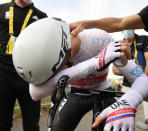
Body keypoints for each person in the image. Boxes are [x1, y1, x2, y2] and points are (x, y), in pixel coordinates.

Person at [12, 17, 148, 131]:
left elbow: (143, 79)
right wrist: (95, 62)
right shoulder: (46, 57)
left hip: (103, 90)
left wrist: (130, 100)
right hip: (77, 94)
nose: (64, 68)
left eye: (64, 63)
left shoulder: (99, 38)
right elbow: (35, 93)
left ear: (72, 34)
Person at [69, 5, 148, 131]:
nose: (127, 30)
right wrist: (84, 24)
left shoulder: (143, 40)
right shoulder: (118, 43)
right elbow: (120, 23)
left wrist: (141, 78)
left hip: (135, 82)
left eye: (130, 28)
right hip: (126, 85)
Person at [0, 0, 47, 130]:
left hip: (29, 78)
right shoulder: (2, 9)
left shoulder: (41, 16)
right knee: (2, 124)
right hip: (3, 76)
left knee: (32, 125)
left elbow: (44, 48)